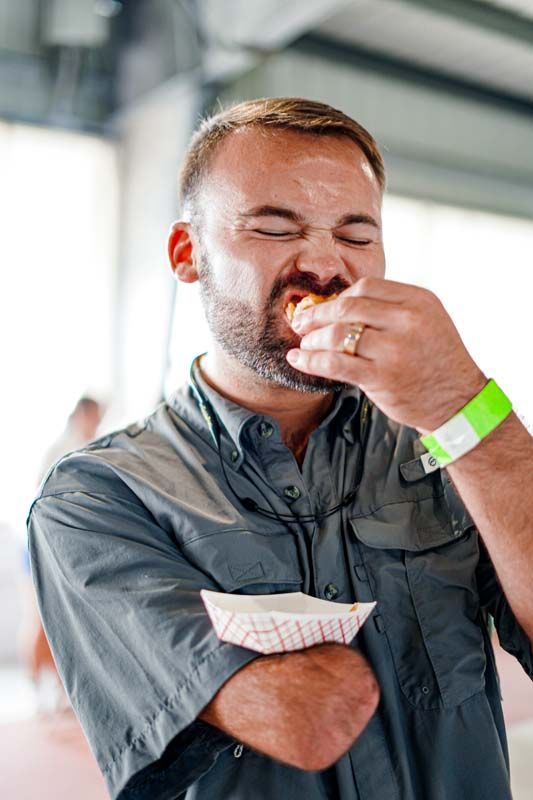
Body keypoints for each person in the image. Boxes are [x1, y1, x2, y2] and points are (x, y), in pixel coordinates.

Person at [27, 98, 532, 800]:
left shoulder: (448, 446)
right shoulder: (97, 496)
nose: (324, 264)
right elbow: (309, 719)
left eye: (356, 234)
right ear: (187, 255)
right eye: (273, 227)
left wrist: (465, 405)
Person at [20, 396, 103, 706]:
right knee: (40, 617)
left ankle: (58, 684)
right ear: (81, 414)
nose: (97, 423)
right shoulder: (62, 450)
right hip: (40, 543)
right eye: (95, 417)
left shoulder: (86, 445)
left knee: (62, 617)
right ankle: (35, 686)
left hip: (66, 545)